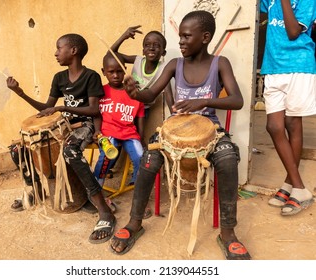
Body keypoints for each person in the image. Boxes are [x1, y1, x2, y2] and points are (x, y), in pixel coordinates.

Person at [110, 10, 251, 260]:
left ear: (205, 37)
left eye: (186, 36)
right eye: (180, 37)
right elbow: (150, 95)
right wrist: (134, 94)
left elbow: (237, 100)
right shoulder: (176, 64)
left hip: (210, 129)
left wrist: (203, 101)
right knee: (148, 160)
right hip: (174, 130)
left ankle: (228, 232)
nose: (181, 42)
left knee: (229, 159)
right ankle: (134, 223)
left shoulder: (221, 63)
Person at [6, 33, 116, 244]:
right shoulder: (59, 78)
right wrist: (21, 93)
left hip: (85, 124)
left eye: (59, 48)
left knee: (70, 151)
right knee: (17, 149)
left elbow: (94, 109)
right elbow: (47, 109)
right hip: (62, 125)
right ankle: (34, 191)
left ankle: (103, 209)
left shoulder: (91, 76)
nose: (56, 53)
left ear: (73, 51)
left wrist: (65, 107)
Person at [110, 26, 175, 218]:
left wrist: (174, 117)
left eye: (156, 46)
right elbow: (112, 53)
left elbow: (168, 93)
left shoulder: (164, 68)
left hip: (141, 110)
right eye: (147, 45)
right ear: (142, 49)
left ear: (163, 52)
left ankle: (135, 179)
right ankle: (114, 168)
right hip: (124, 107)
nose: (151, 48)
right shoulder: (138, 60)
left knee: (137, 141)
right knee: (119, 140)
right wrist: (123, 35)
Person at [260, 0, 316, 215]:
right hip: (273, 66)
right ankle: (297, 186)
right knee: (274, 126)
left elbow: (293, 32)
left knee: (293, 124)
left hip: (298, 65)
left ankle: (292, 186)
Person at [93, 53, 144, 190]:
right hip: (107, 133)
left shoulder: (134, 93)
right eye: (111, 72)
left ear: (124, 70)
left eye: (119, 71)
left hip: (129, 133)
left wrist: (141, 138)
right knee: (107, 156)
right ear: (104, 72)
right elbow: (94, 113)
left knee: (141, 156)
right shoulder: (100, 92)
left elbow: (140, 117)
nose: (115, 75)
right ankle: (96, 188)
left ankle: (137, 186)